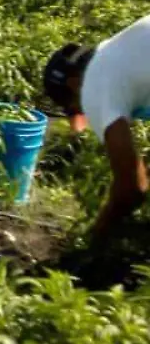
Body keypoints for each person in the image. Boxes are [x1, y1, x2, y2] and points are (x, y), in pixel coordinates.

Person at [43, 17, 150, 241]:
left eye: (74, 107)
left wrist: (95, 237)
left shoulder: (94, 86)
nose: (84, 114)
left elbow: (132, 187)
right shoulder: (117, 52)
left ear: (74, 85)